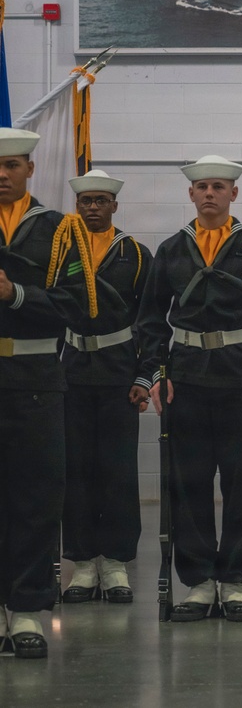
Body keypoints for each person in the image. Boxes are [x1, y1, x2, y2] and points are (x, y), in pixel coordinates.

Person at [135, 155, 242, 621]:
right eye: (202, 187)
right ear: (191, 194)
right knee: (190, 484)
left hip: (240, 375)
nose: (209, 194)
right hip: (186, 378)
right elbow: (149, 319)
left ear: (233, 195)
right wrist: (157, 373)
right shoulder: (171, 250)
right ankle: (199, 583)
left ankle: (237, 583)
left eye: (218, 187)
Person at [0, 128, 93, 658]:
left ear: (31, 170)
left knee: (36, 498)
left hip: (35, 379)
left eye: (13, 165)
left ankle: (29, 609)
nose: (2, 174)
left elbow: (78, 308)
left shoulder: (61, 232)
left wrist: (17, 296)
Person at [60, 170, 152, 605]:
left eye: (100, 201)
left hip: (119, 373)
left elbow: (152, 323)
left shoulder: (134, 254)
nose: (92, 207)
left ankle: (115, 562)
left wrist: (144, 375)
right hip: (73, 372)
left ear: (115, 205)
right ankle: (82, 563)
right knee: (76, 470)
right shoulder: (61, 253)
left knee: (117, 471)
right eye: (85, 201)